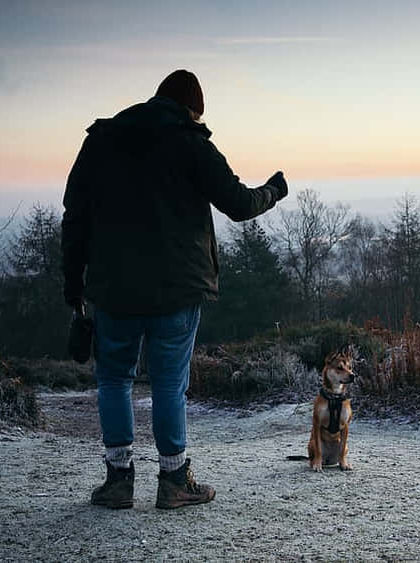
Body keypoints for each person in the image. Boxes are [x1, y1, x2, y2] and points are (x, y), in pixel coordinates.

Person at [61, 69, 288, 510]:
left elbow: (74, 216)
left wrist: (74, 287)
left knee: (113, 380)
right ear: (191, 109)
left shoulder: (101, 140)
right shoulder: (190, 142)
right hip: (176, 292)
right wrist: (274, 190)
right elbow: (239, 204)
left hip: (112, 291)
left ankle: (117, 482)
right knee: (168, 385)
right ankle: (173, 481)